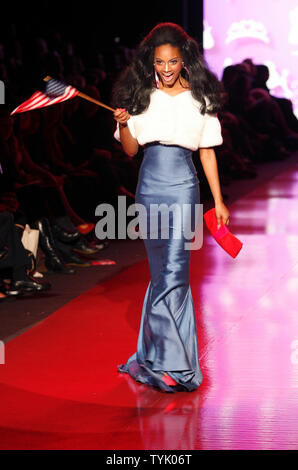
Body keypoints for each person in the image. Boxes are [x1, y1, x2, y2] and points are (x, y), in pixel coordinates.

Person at [112, 23, 230, 393]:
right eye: (159, 61)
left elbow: (207, 150)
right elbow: (130, 150)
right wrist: (125, 124)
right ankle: (155, 356)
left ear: (184, 60)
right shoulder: (141, 95)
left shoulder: (200, 99)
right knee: (161, 272)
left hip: (183, 187)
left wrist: (219, 199)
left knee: (176, 269)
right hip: (149, 185)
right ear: (152, 60)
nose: (165, 68)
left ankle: (173, 364)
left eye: (173, 61)